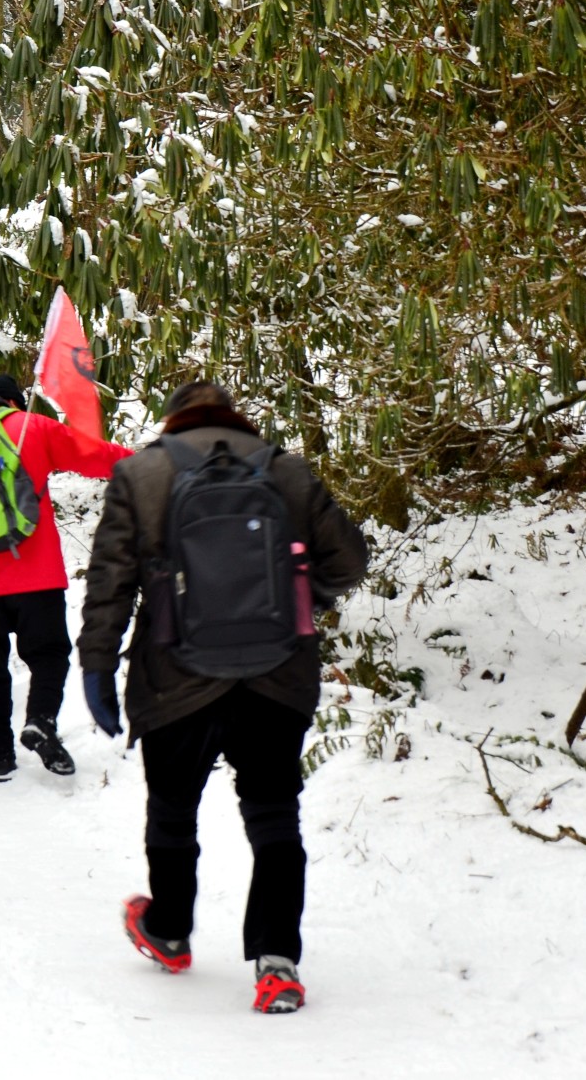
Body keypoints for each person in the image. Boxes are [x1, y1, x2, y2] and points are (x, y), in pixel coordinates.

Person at [78, 381, 369, 1014]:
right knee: (272, 815)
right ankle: (277, 964)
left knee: (173, 811)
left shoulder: (141, 474)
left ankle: (170, 931)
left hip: (174, 676)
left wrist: (96, 666)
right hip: (277, 675)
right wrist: (301, 599)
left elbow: (111, 585)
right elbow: (349, 559)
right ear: (236, 418)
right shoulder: (286, 470)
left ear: (173, 422)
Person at [0, 373, 132, 780]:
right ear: (14, 401)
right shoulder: (32, 426)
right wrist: (151, 462)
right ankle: (41, 721)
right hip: (39, 575)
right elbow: (97, 456)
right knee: (49, 656)